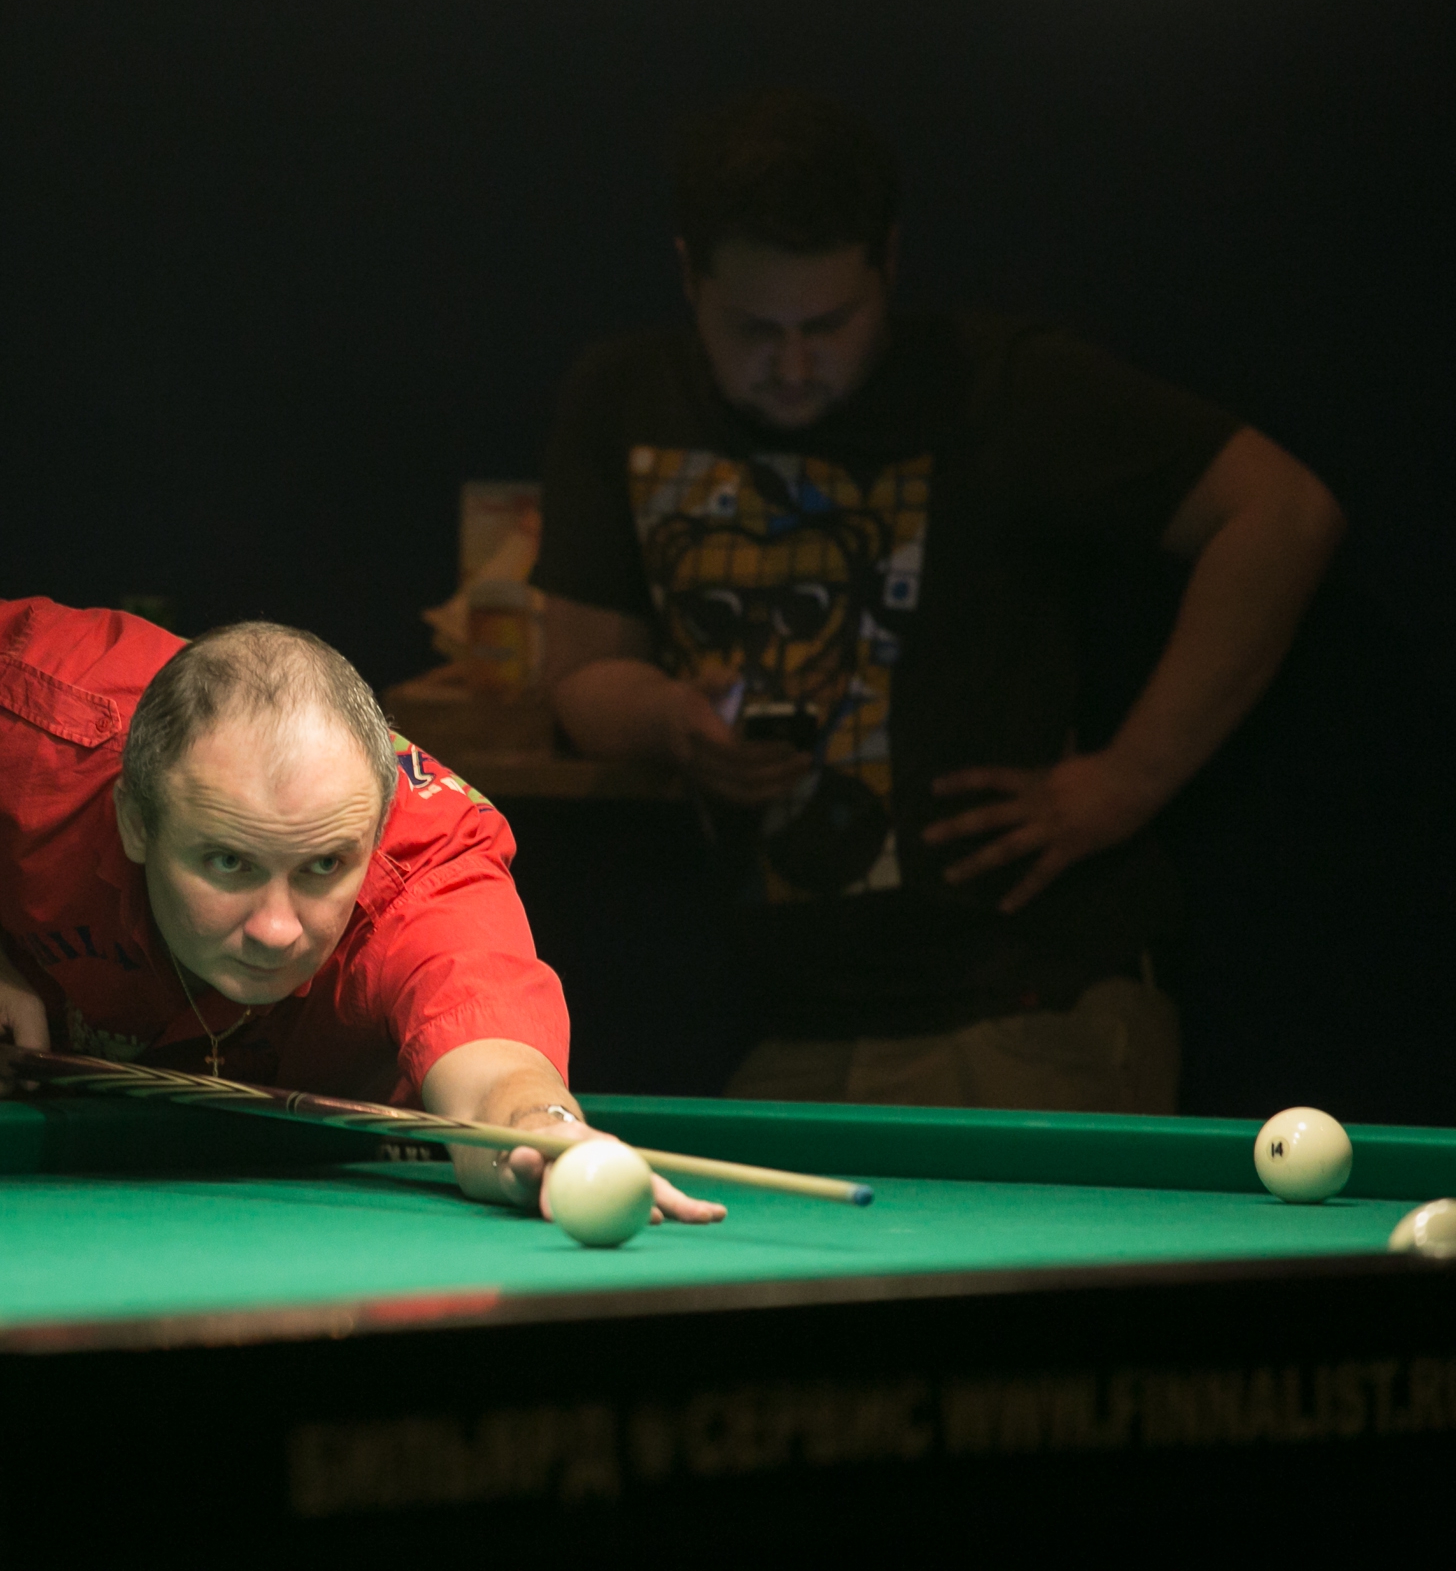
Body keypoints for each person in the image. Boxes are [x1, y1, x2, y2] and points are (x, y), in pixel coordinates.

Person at [534, 89, 1345, 1112]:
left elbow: (1282, 513)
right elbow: (582, 674)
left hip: (1030, 1002)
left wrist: (1130, 778)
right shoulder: (623, 395)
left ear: (890, 264)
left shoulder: (996, 385)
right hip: (789, 1025)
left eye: (829, 323)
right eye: (753, 329)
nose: (793, 365)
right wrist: (671, 721)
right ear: (689, 274)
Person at [0, 595, 724, 1223]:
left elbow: (497, 1073)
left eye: (323, 867)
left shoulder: (429, 875)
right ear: (135, 820)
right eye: (228, 862)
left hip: (321, 1208)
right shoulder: (27, 715)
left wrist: (546, 1135)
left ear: (374, 830)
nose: (276, 929)